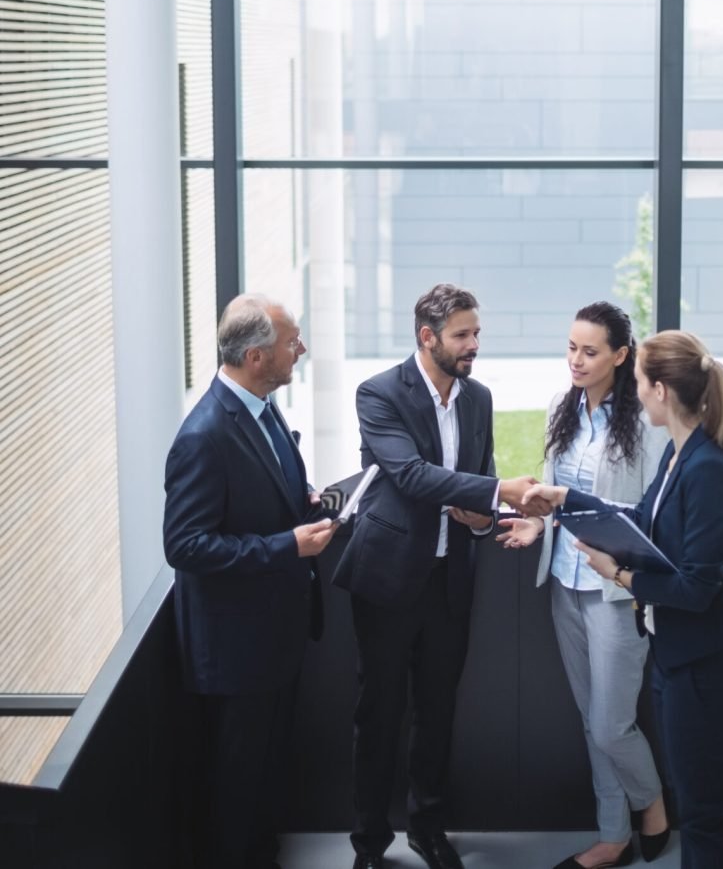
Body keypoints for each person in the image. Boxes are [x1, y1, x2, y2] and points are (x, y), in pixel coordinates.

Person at [523, 330, 723, 869]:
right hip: (679, 655)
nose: (636, 389)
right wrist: (565, 498)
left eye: (640, 380)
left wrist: (621, 577)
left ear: (661, 391)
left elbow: (697, 589)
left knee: (704, 812)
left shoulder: (709, 469)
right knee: (697, 802)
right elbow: (639, 520)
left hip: (704, 660)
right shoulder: (679, 455)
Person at [333, 283, 539, 869]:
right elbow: (412, 476)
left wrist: (482, 517)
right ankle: (369, 845)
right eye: (462, 335)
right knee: (378, 716)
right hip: (388, 582)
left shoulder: (478, 399)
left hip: (452, 581)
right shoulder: (378, 394)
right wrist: (497, 492)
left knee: (438, 710)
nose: (474, 345)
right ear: (428, 338)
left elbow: (479, 477)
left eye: (477, 333)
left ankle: (427, 829)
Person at [163, 294, 336, 869]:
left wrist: (304, 504)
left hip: (276, 637)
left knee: (265, 776)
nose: (302, 349)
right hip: (236, 649)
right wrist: (286, 545)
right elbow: (184, 545)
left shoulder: (263, 407)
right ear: (258, 356)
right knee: (236, 786)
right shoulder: (202, 435)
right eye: (292, 342)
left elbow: (261, 495)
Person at [497, 302, 670, 869]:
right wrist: (537, 521)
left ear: (621, 357)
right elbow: (552, 492)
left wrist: (593, 524)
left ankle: (653, 804)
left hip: (615, 591)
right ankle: (612, 837)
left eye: (590, 351)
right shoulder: (560, 407)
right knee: (590, 721)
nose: (575, 360)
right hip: (564, 585)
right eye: (571, 347)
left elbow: (651, 513)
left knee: (610, 723)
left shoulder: (644, 422)